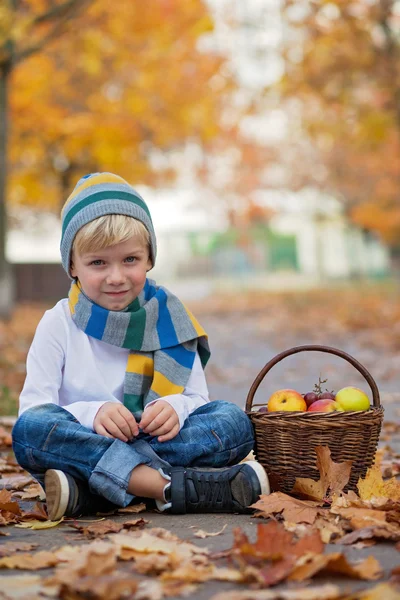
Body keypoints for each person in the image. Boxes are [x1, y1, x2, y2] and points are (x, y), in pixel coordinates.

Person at [12, 173, 270, 520]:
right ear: (72, 265)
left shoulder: (171, 319)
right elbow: (36, 408)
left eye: (130, 260)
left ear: (149, 258)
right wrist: (94, 414)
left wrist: (175, 408)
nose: (116, 276)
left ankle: (91, 494)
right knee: (31, 431)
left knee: (233, 422)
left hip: (127, 449)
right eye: (98, 263)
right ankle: (166, 487)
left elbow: (197, 400)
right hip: (87, 441)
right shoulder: (58, 323)